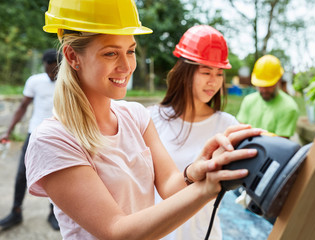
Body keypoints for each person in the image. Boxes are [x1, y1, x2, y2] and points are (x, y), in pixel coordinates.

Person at [24, 1, 263, 239]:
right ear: (72, 56)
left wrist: (196, 169)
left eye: (130, 50)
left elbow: (170, 185)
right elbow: (117, 231)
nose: (127, 66)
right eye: (110, 53)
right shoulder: (53, 140)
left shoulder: (135, 116)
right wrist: (207, 187)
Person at [148, 25, 242, 240]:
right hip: (157, 234)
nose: (213, 81)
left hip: (204, 234)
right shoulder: (151, 119)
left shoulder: (227, 126)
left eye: (219, 74)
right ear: (184, 72)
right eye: (206, 72)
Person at [0, 49, 60, 231]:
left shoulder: (68, 82)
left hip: (58, 135)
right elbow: (23, 106)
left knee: (56, 176)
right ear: (44, 65)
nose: (51, 74)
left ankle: (54, 213)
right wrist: (8, 131)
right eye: (49, 69)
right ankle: (16, 212)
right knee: (21, 174)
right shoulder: (35, 81)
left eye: (55, 70)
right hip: (34, 134)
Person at [236, 55, 299, 138]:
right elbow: (239, 131)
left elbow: (281, 144)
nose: (264, 90)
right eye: (260, 85)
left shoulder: (289, 107)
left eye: (268, 85)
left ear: (278, 80)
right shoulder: (248, 100)